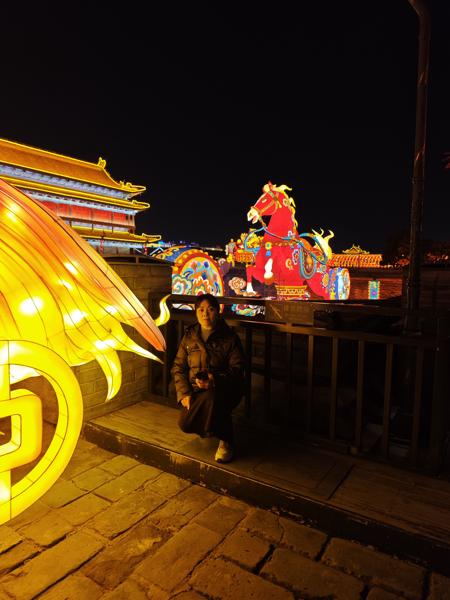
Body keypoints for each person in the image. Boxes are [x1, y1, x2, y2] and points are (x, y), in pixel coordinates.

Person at [171, 293, 245, 463]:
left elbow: (238, 368)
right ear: (196, 312)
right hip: (196, 390)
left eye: (210, 309)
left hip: (225, 389)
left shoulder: (229, 337)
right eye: (201, 310)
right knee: (185, 423)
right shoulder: (190, 335)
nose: (205, 314)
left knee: (213, 398)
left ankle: (226, 440)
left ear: (217, 312)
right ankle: (211, 426)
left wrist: (214, 379)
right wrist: (184, 393)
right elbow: (178, 367)